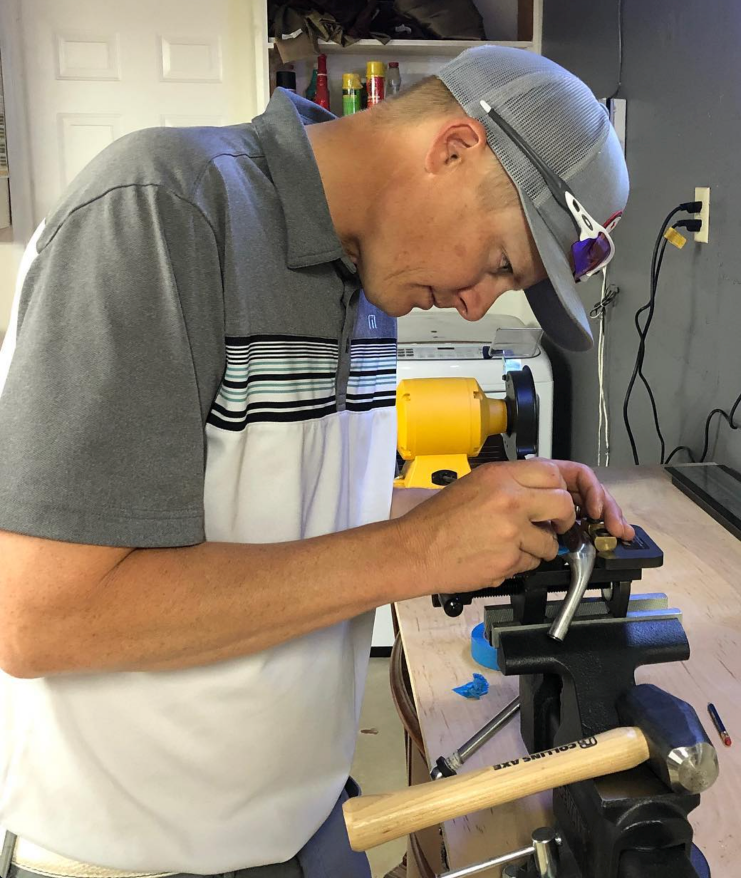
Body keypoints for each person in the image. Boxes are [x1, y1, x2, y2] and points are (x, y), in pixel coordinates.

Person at [0, 46, 631, 878]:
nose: (479, 300)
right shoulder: (163, 212)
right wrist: (412, 553)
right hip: (132, 857)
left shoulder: (372, 272)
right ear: (453, 149)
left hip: (312, 822)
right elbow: (42, 618)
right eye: (500, 262)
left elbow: (284, 523)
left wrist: (475, 514)